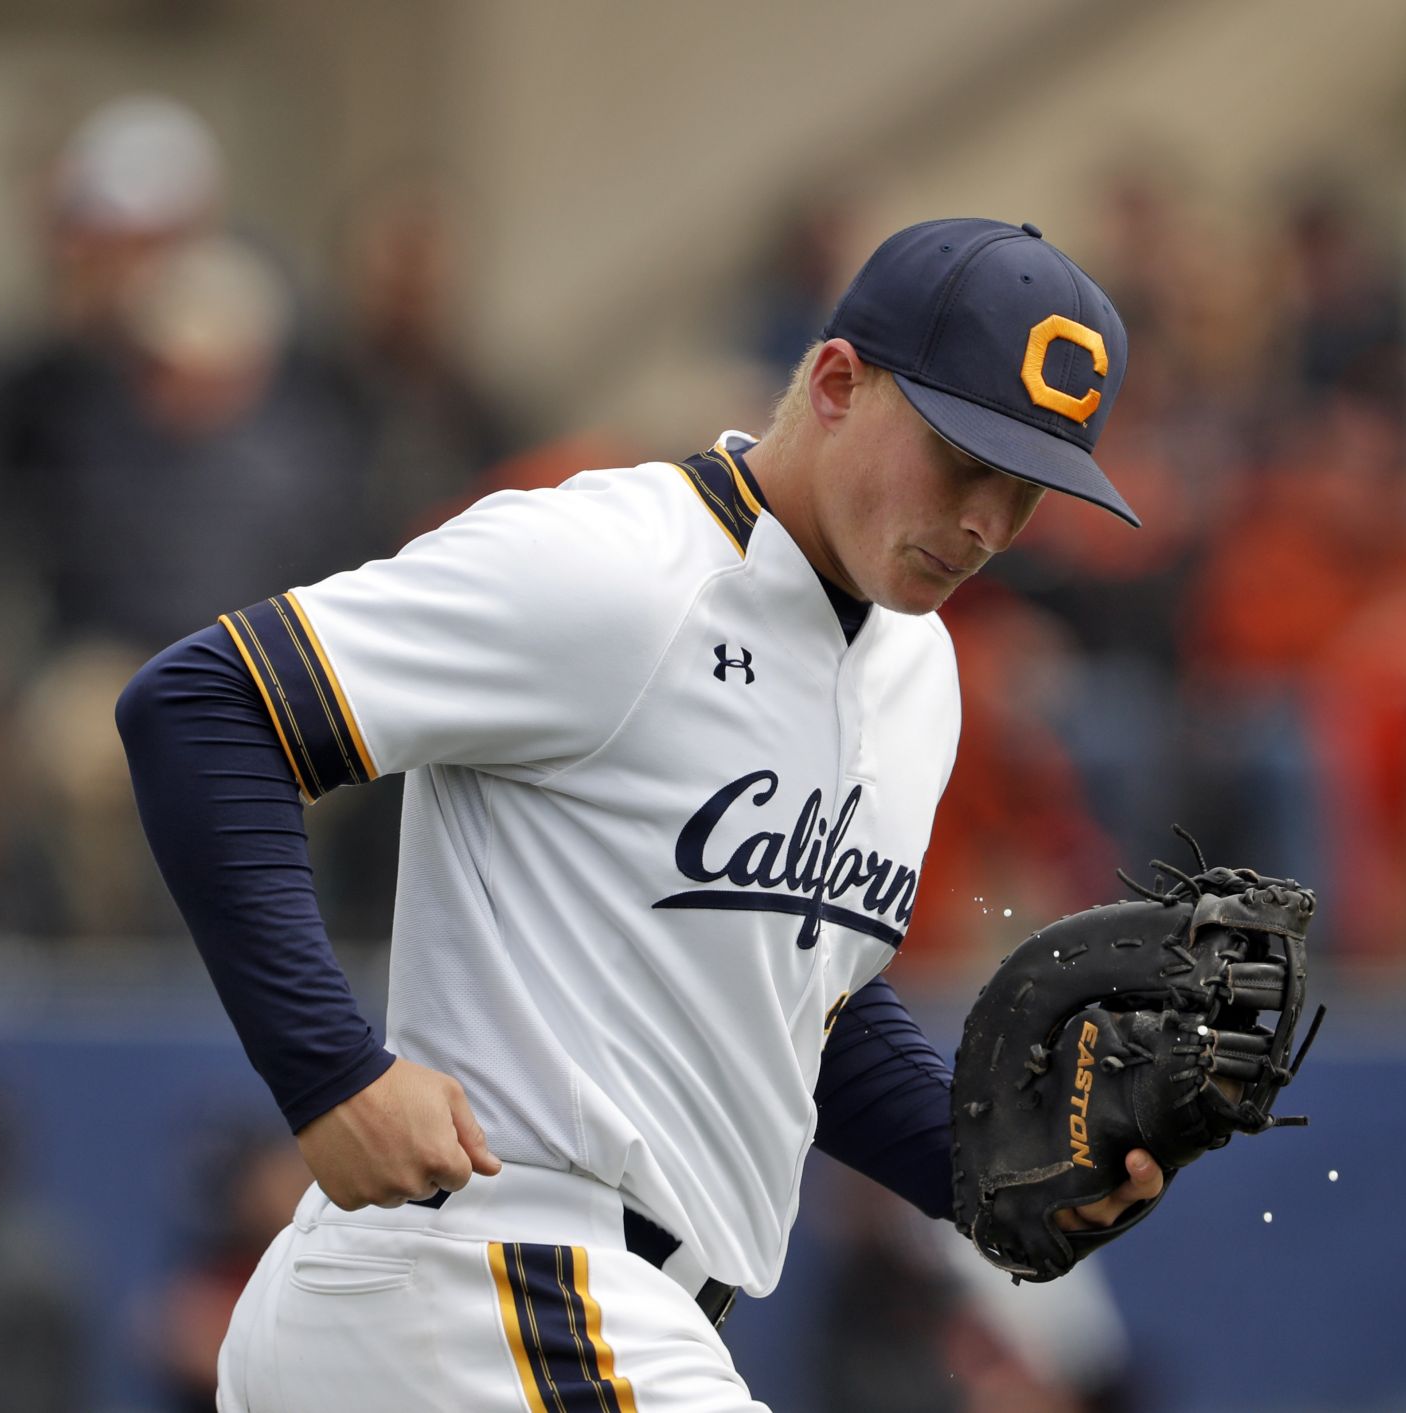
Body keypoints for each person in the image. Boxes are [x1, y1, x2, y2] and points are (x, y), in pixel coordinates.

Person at [116, 217, 1165, 1411]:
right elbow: (204, 704)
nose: (986, 521)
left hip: (549, 1316)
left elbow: (793, 1008)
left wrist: (991, 1171)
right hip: (501, 1280)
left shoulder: (917, 673)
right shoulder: (616, 565)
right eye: (960, 459)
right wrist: (327, 1073)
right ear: (834, 382)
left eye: (1025, 488)